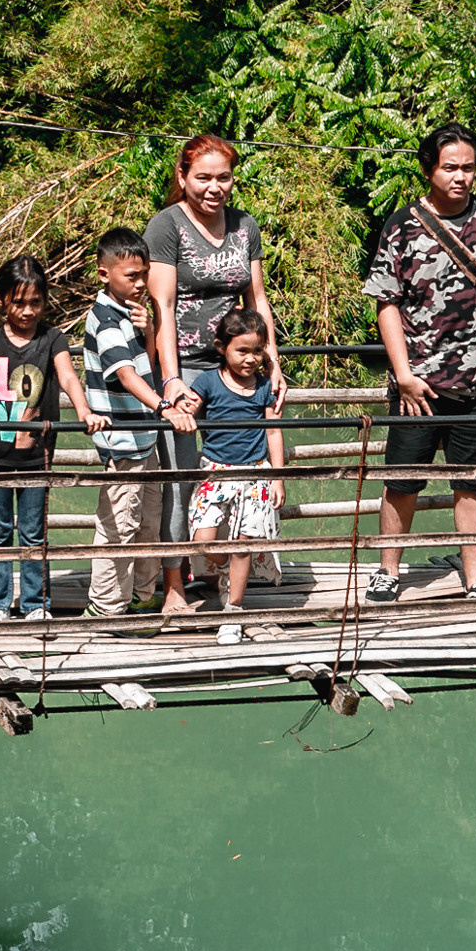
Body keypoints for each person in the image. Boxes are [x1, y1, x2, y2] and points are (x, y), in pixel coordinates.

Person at [361, 123, 476, 604]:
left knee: (475, 486)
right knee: (402, 481)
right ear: (428, 169)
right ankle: (388, 570)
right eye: (450, 167)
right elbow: (386, 303)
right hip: (419, 386)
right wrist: (404, 375)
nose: (460, 177)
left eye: (468, 167)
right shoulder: (402, 225)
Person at [145, 135, 283, 614]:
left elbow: (256, 300)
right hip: (183, 367)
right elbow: (161, 305)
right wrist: (170, 380)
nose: (213, 187)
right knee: (183, 477)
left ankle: (230, 575)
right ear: (183, 177)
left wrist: (274, 362)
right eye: (202, 177)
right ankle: (174, 589)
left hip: (236, 366)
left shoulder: (245, 226)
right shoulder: (167, 226)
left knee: (239, 467)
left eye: (222, 177)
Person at [0, 256, 94, 624]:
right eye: (18, 302)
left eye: (35, 302)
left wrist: (84, 411)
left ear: (45, 301)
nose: (27, 311)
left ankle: (36, 604)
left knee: (33, 532)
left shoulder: (52, 338)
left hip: (36, 455)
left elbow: (69, 377)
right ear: (0, 299)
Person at [81, 228, 195, 616]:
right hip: (124, 443)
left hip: (143, 441)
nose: (141, 283)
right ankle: (106, 607)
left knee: (146, 523)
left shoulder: (128, 315)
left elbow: (145, 364)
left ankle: (142, 597)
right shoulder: (105, 320)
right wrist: (165, 408)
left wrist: (147, 331)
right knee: (119, 526)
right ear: (104, 274)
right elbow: (127, 376)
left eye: (144, 274)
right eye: (131, 276)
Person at [184, 309, 287, 616]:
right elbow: (188, 406)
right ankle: (229, 568)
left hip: (256, 474)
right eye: (242, 350)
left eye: (257, 351)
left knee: (244, 541)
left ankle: (234, 609)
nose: (250, 358)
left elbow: (274, 431)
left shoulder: (265, 387)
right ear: (222, 348)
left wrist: (278, 477)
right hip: (215, 472)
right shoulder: (207, 382)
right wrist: (180, 406)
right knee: (202, 538)